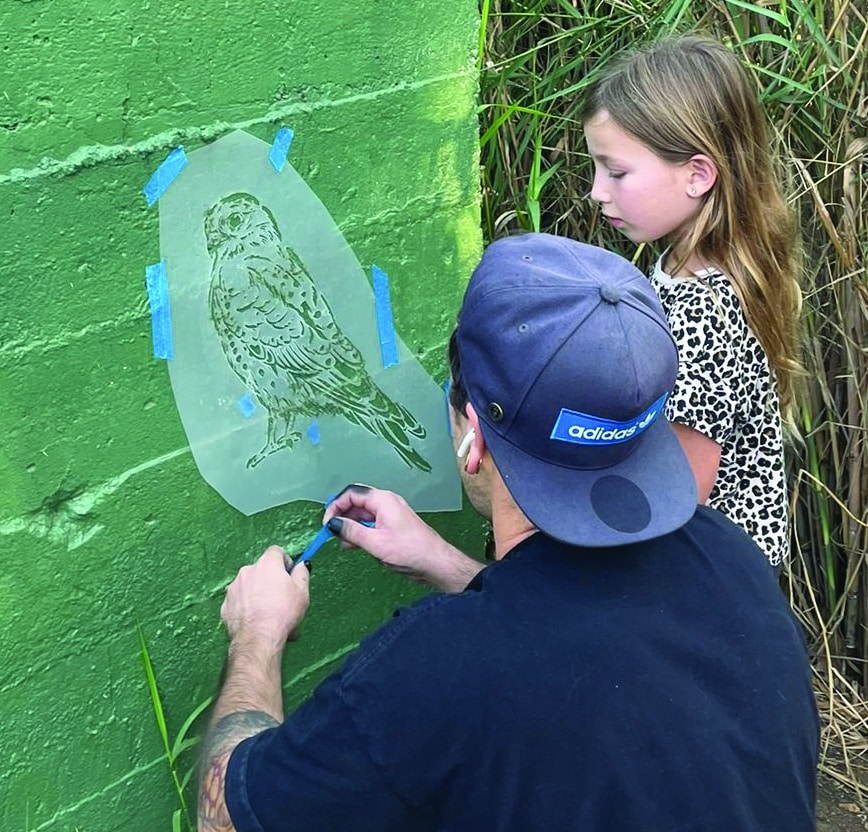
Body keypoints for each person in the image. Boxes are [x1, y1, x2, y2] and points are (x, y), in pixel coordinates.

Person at [198, 234, 818, 832]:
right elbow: (583, 641)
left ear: (474, 439)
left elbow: (225, 814)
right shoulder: (733, 562)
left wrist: (258, 634)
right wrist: (442, 561)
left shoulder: (433, 670)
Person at [581, 34, 803, 568]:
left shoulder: (700, 312)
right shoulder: (688, 265)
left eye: (616, 171)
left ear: (698, 175)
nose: (596, 191)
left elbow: (676, 498)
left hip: (710, 581)